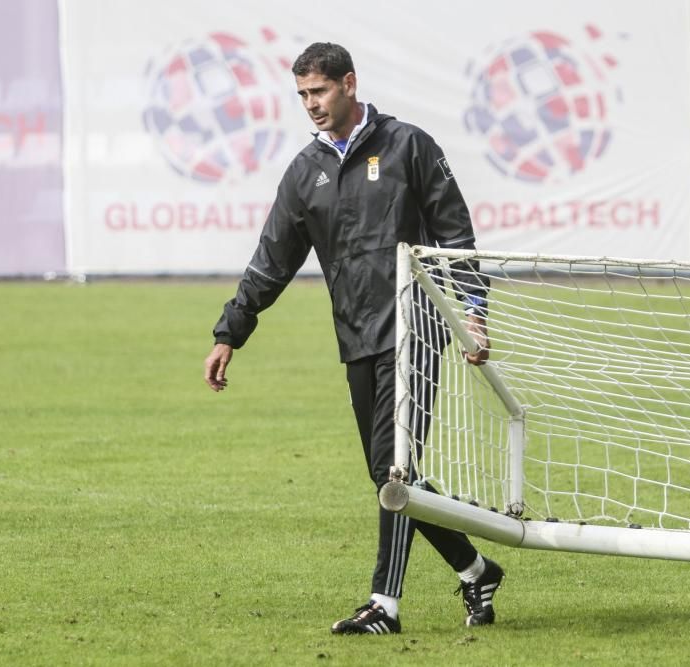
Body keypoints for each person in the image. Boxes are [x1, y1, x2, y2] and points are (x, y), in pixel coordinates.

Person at [203, 42, 504, 635]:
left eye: (318, 92)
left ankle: (384, 605)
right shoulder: (305, 172)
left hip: (416, 328)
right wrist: (229, 332)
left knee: (394, 468)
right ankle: (475, 570)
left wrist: (473, 312)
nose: (310, 106)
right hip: (358, 337)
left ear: (348, 84)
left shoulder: (407, 145)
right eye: (302, 96)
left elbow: (454, 234)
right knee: (391, 473)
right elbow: (271, 262)